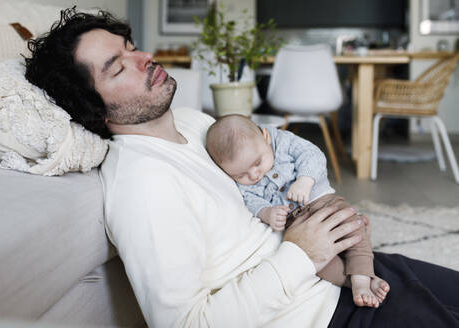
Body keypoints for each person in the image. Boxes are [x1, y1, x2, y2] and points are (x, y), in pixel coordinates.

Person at [24, 8, 459, 328]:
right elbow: (184, 324)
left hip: (350, 270)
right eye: (119, 67)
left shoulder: (196, 124)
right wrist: (302, 253)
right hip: (322, 314)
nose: (146, 59)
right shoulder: (142, 185)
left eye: (132, 48)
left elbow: (270, 174)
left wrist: (332, 223)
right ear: (93, 109)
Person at [205, 114, 389, 308]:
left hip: (322, 202)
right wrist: (266, 212)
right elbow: (249, 199)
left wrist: (304, 180)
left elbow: (312, 154)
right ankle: (351, 281)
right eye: (241, 174)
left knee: (352, 229)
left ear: (265, 137)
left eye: (258, 163)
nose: (254, 175)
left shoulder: (283, 141)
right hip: (297, 225)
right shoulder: (242, 180)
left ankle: (362, 278)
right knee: (317, 265)